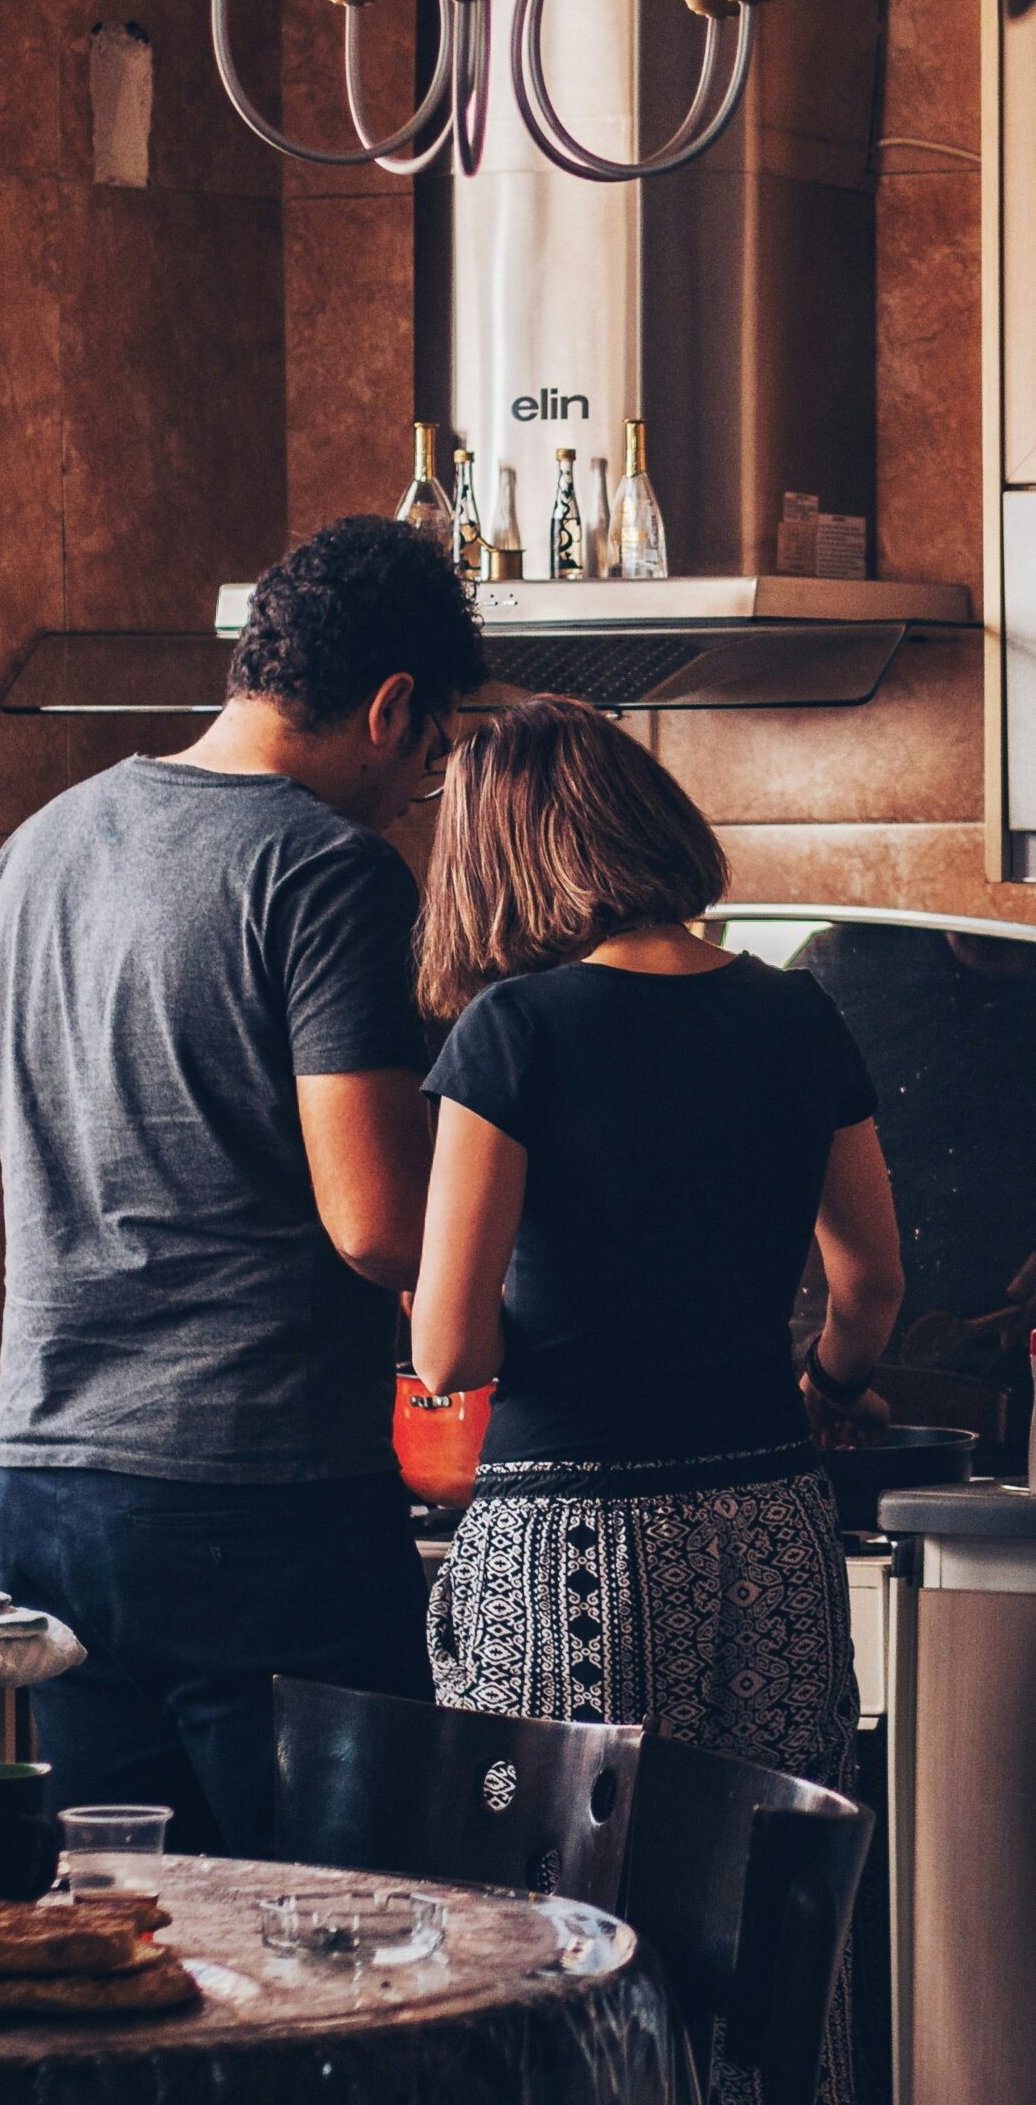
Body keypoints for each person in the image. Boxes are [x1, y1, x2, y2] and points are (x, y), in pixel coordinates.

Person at [411, 698, 903, 2102]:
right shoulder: (795, 1011)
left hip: (571, 1549)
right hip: (768, 1531)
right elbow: (870, 1284)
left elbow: (449, 1350)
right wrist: (822, 1392)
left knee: (560, 1943)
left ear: (502, 859)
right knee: (770, 1938)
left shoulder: (514, 1034)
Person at [0, 515, 487, 1857]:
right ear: (392, 709)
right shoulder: (328, 873)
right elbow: (378, 1225)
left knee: (145, 1943)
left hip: (44, 1481)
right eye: (434, 754)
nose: (418, 790)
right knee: (356, 1948)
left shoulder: (38, 848)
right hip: (249, 1498)